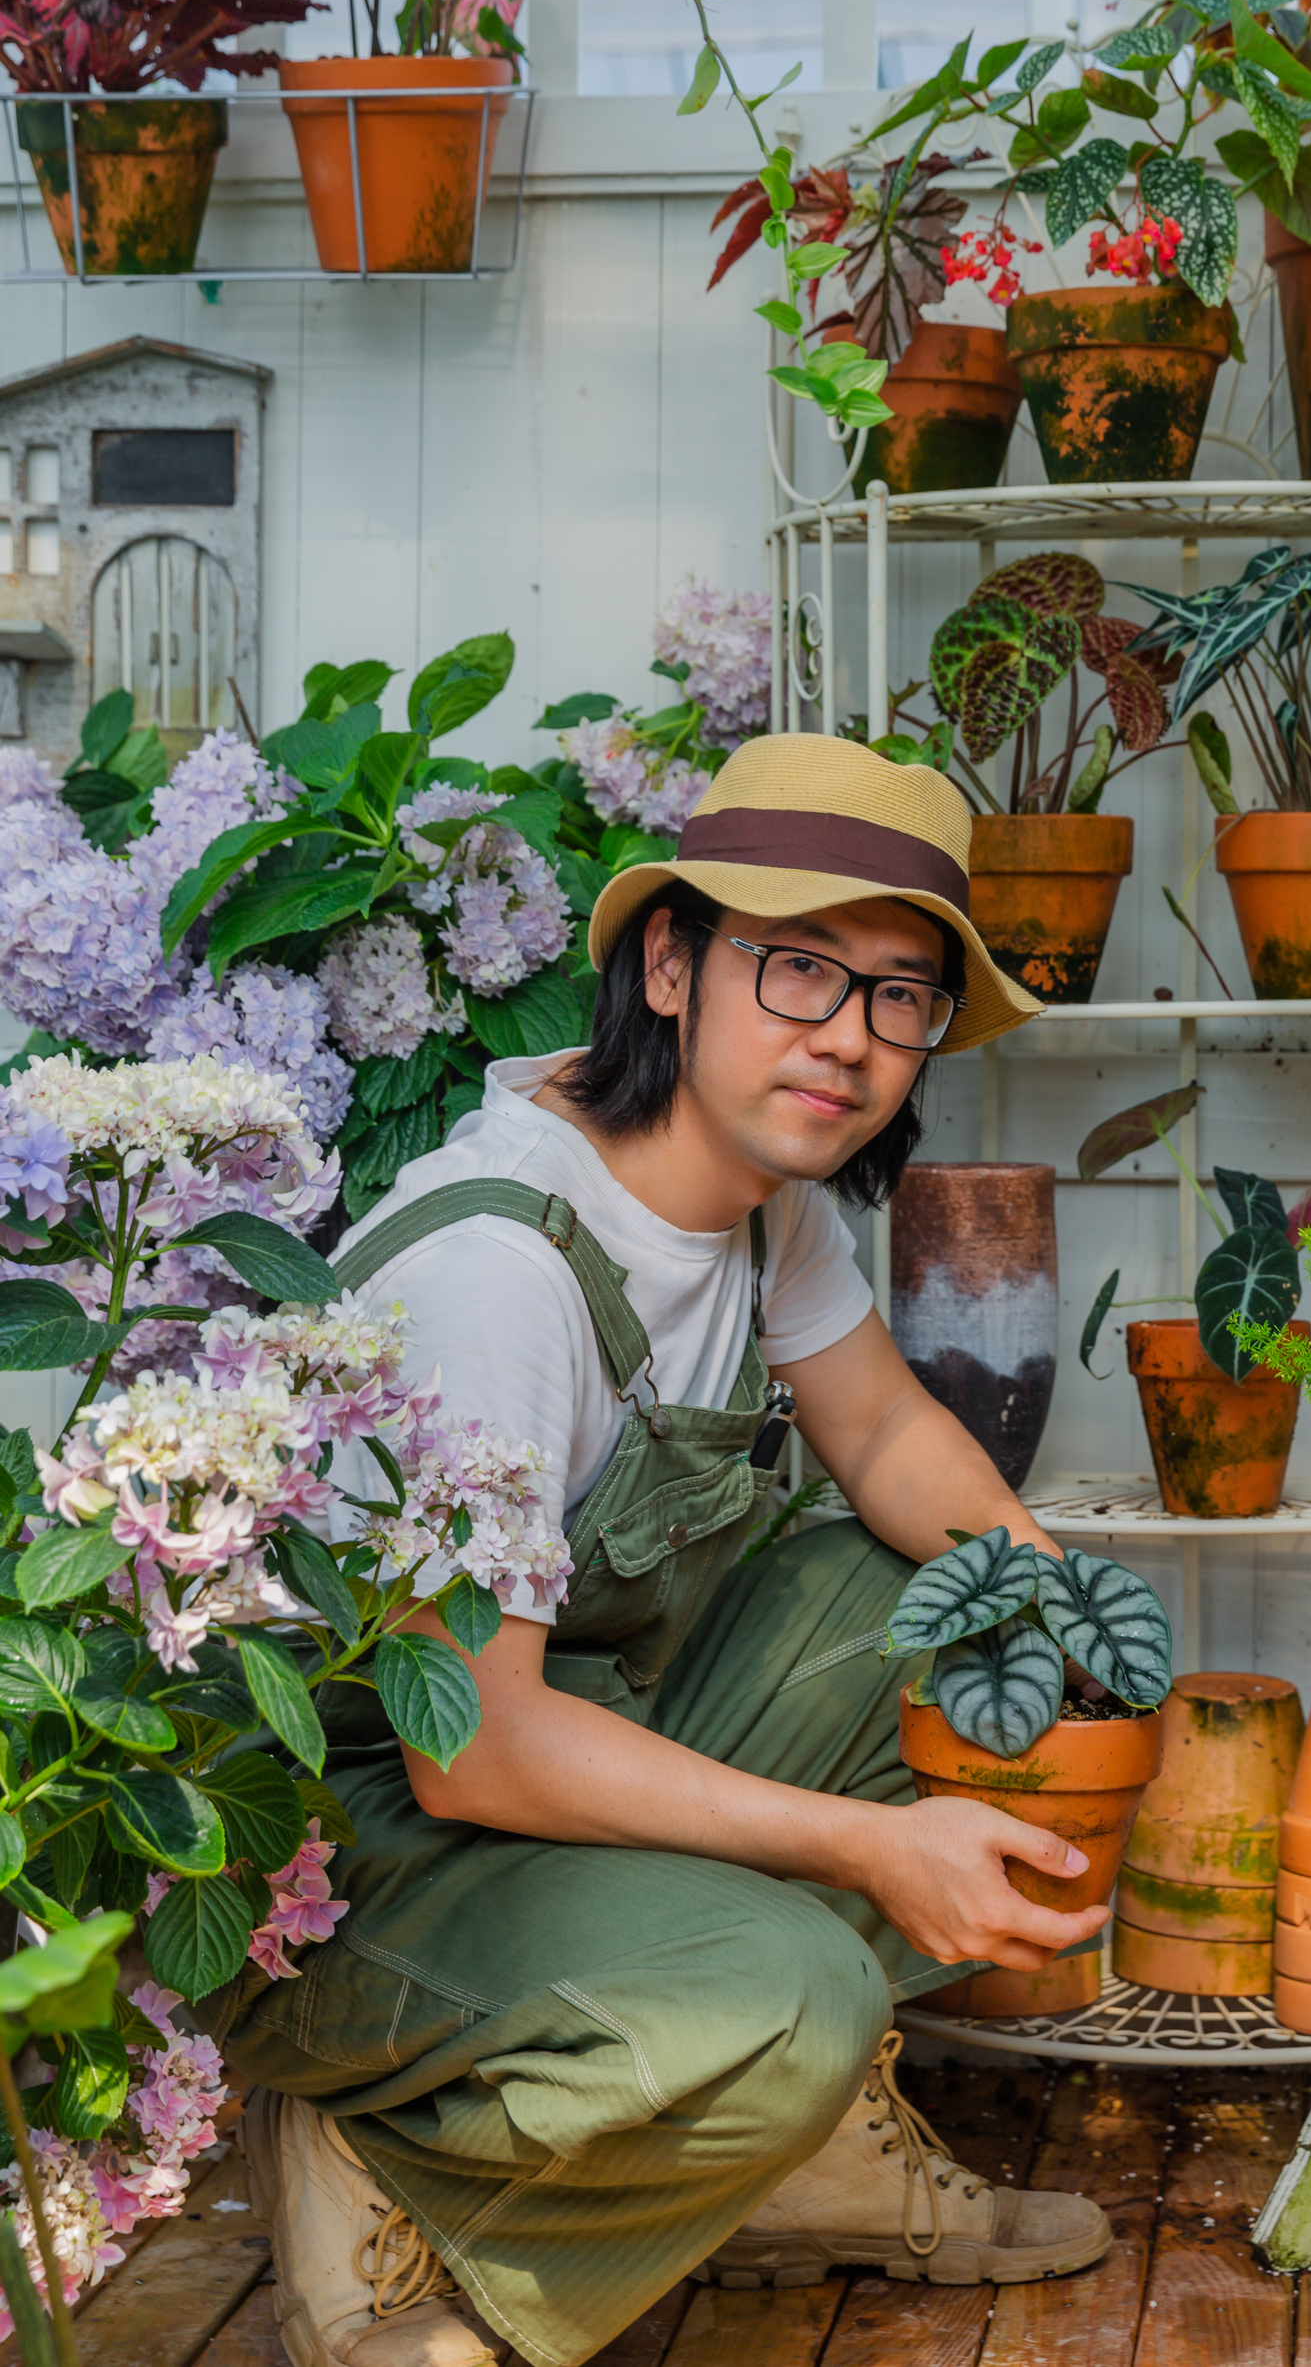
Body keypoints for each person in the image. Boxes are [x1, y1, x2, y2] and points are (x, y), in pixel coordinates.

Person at [223, 732, 1119, 2367]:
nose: (846, 1041)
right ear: (670, 961)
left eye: (899, 996)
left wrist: (1069, 1608)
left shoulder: (764, 1201)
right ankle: (388, 2158)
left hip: (572, 1743)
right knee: (795, 1995)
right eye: (798, 971)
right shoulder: (497, 1270)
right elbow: (468, 1747)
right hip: (359, 1861)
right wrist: (867, 1844)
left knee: (958, 1616)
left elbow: (880, 1433)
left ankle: (782, 2162)